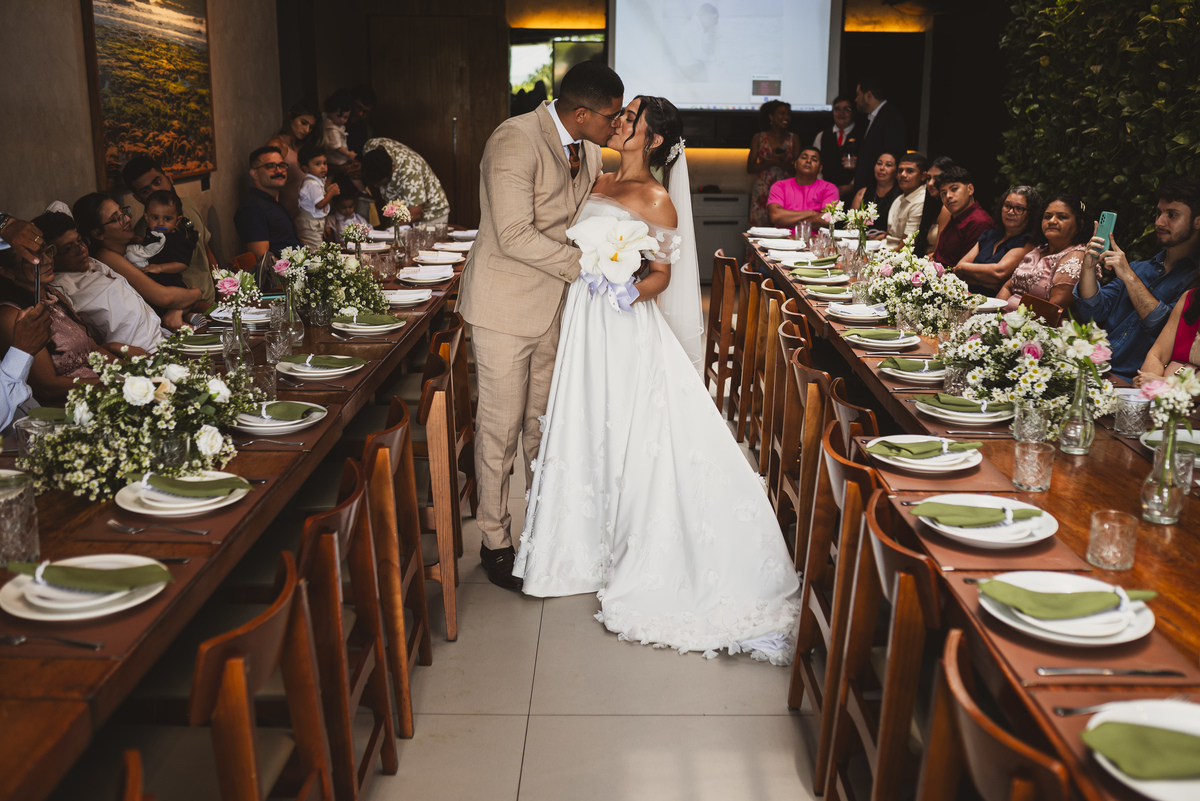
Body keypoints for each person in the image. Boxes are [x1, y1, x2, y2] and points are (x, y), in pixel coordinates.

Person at [513, 95, 800, 663]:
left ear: (655, 139)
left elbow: (663, 275)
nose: (618, 122)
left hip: (620, 321)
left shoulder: (657, 198)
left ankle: (637, 547)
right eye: (620, 116)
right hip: (583, 320)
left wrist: (624, 289)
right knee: (587, 420)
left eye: (630, 119)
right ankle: (579, 545)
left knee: (633, 426)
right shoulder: (596, 179)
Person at [457, 60, 624, 590]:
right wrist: (588, 267)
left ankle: (545, 534)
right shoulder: (514, 139)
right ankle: (494, 539)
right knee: (499, 432)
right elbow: (511, 234)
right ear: (581, 113)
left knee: (543, 429)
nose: (616, 126)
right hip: (505, 308)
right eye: (611, 118)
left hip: (558, 308)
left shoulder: (591, 150)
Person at [1076, 179, 1200, 382]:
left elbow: (1166, 331)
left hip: (1131, 382)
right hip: (1094, 369)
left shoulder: (1194, 281)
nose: (1159, 222)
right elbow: (1091, 310)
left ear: (1198, 221)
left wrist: (1129, 277)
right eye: (1159, 213)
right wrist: (1088, 268)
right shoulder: (1139, 268)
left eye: (1172, 214)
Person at [0, 242, 125, 404]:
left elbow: (95, 351)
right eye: (33, 259)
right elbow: (47, 387)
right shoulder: (12, 316)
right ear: (7, 272)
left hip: (103, 390)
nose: (46, 260)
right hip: (72, 406)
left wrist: (133, 371)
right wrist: (109, 385)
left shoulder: (53, 294)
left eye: (46, 251)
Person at [35, 210, 167, 354]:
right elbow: (81, 345)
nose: (81, 249)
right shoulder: (61, 290)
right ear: (51, 255)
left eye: (79, 241)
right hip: (139, 354)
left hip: (163, 337)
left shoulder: (93, 264)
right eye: (68, 248)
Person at [74, 194, 202, 332]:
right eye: (117, 219)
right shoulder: (106, 257)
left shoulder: (133, 246)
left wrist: (178, 308)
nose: (128, 218)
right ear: (98, 233)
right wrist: (196, 293)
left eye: (123, 212)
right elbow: (164, 297)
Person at [122, 155, 218, 303]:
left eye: (157, 182)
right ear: (138, 198)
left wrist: (223, 286)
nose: (155, 191)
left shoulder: (188, 205)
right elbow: (156, 285)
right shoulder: (144, 231)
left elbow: (206, 249)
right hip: (187, 306)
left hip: (213, 300)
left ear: (169, 178)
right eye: (146, 190)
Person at [997, 194, 1092, 312]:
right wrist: (996, 316)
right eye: (1047, 216)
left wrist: (1009, 322)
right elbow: (1007, 287)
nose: (1052, 221)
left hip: (1036, 326)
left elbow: (1054, 309)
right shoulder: (1039, 250)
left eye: (1061, 217)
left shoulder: (1077, 256)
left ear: (1079, 225)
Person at [953, 186, 1041, 295]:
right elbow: (958, 269)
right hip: (966, 296)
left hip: (996, 303)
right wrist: (985, 280)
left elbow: (999, 273)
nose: (1010, 212)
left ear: (1031, 214)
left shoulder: (1028, 242)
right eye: (1007, 206)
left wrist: (964, 269)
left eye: (1019, 208)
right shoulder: (989, 235)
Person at [233, 146, 302, 261]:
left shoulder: (275, 200)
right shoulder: (252, 208)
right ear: (254, 173)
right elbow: (263, 258)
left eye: (282, 165)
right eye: (270, 167)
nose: (279, 171)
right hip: (284, 276)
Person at [125, 191, 195, 305]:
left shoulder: (178, 241)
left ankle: (182, 314)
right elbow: (153, 246)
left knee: (179, 301)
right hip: (153, 282)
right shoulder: (152, 232)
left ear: (177, 220)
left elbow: (182, 264)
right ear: (147, 217)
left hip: (171, 283)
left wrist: (160, 268)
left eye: (167, 219)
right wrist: (142, 241)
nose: (161, 223)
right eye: (155, 217)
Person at [360, 138, 451, 224]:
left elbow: (415, 213)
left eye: (381, 184)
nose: (376, 186)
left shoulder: (409, 170)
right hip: (403, 214)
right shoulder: (370, 146)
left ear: (393, 170)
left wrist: (390, 230)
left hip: (431, 214)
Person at [746, 101, 801, 230]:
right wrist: (771, 162)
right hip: (763, 190)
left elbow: (798, 169)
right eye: (782, 114)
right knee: (760, 226)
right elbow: (750, 168)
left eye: (788, 114)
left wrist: (780, 163)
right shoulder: (759, 138)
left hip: (786, 189)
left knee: (784, 225)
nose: (786, 117)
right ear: (771, 117)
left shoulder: (794, 138)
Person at [930, 166, 994, 269]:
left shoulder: (979, 222)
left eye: (954, 189)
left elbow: (965, 271)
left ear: (970, 189)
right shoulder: (956, 216)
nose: (948, 196)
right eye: (943, 193)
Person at [267, 100, 320, 218]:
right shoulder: (276, 145)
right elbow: (268, 184)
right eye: (303, 123)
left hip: (310, 217)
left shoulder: (305, 147)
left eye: (311, 127)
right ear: (291, 117)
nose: (306, 130)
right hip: (287, 216)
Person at [853, 77, 905, 192]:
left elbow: (893, 156)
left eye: (858, 95)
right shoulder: (877, 117)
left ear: (869, 95)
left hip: (881, 191)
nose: (856, 99)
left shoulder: (890, 118)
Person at [766, 147, 839, 229]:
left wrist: (787, 221)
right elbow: (775, 216)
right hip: (783, 239)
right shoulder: (779, 186)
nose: (808, 161)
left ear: (820, 168)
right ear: (795, 164)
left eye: (814, 160)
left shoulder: (829, 188)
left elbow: (827, 219)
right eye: (804, 158)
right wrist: (811, 213)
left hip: (816, 239)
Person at [813, 95, 858, 202]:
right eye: (837, 109)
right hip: (825, 194)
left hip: (854, 195)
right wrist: (824, 187)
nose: (841, 113)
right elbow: (815, 165)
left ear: (853, 113)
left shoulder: (863, 135)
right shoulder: (822, 136)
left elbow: (868, 165)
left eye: (846, 109)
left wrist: (852, 185)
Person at [295, 144, 339, 249]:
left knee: (316, 247)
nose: (323, 167)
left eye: (324, 163)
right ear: (305, 167)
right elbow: (319, 204)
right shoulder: (312, 184)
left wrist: (327, 191)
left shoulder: (315, 181)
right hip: (310, 225)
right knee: (313, 249)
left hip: (314, 223)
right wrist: (331, 193)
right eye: (317, 164)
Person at [883, 152, 928, 248]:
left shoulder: (921, 200)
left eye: (910, 171)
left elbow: (906, 245)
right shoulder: (899, 198)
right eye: (900, 171)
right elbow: (890, 233)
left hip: (898, 256)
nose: (903, 175)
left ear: (923, 176)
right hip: (885, 247)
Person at [917, 155, 954, 257]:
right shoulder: (933, 205)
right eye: (928, 178)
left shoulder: (947, 208)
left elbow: (939, 254)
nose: (930, 183)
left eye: (937, 178)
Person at [850, 151, 900, 225]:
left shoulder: (900, 195)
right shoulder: (862, 193)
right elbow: (850, 224)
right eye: (879, 163)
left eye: (888, 165)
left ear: (896, 171)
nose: (882, 168)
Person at [321, 90, 356, 172]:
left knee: (330, 176)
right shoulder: (333, 129)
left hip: (333, 157)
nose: (342, 120)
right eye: (339, 116)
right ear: (329, 112)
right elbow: (337, 147)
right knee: (353, 173)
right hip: (337, 158)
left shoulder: (326, 118)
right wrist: (349, 154)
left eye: (346, 117)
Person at [346, 84, 376, 157]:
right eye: (358, 107)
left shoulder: (368, 132)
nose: (360, 113)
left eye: (365, 112)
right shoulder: (333, 125)